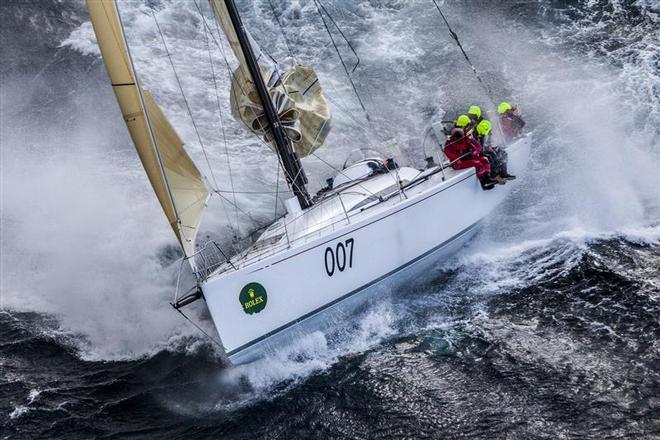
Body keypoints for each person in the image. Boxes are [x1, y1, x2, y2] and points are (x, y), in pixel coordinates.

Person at [445, 115, 496, 190]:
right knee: (477, 163)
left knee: (484, 159)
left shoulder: (466, 136)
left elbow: (478, 146)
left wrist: (474, 152)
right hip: (458, 163)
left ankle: (487, 178)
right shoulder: (453, 138)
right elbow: (447, 150)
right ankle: (483, 182)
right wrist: (457, 157)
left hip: (467, 159)